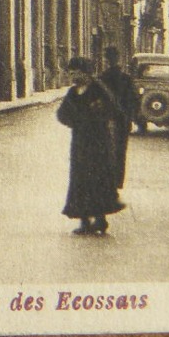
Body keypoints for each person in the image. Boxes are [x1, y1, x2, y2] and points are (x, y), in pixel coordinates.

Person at [57, 56, 125, 236]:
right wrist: (75, 122)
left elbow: (114, 110)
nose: (71, 75)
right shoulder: (72, 93)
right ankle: (84, 221)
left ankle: (101, 219)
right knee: (80, 179)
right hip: (80, 142)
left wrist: (97, 116)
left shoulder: (99, 89)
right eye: (70, 72)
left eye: (74, 72)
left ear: (85, 72)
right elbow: (62, 114)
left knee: (98, 178)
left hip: (98, 141)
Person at [97, 46, 138, 192]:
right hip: (123, 120)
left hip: (105, 121)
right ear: (118, 59)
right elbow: (134, 100)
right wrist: (130, 118)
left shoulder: (101, 79)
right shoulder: (126, 79)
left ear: (106, 60)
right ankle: (118, 182)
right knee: (121, 152)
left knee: (104, 151)